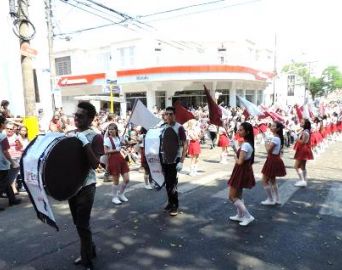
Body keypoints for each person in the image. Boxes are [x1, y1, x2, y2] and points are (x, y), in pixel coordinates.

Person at [68, 102, 104, 270]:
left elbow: (96, 164)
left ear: (90, 119)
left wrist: (85, 143)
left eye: (80, 116)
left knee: (82, 223)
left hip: (86, 186)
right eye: (76, 115)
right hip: (71, 186)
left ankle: (86, 259)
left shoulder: (95, 137)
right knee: (78, 223)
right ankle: (91, 249)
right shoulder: (70, 134)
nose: (76, 118)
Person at [161, 107, 188, 216]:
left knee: (172, 183)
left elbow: (185, 144)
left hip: (174, 159)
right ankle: (169, 202)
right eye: (167, 114)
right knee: (167, 183)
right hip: (164, 159)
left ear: (175, 115)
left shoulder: (179, 128)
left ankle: (174, 205)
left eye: (171, 114)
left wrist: (181, 160)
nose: (169, 116)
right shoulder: (163, 127)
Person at [228, 122, 256, 226]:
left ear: (247, 132)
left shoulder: (245, 145)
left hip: (241, 170)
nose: (238, 131)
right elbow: (241, 155)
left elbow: (239, 161)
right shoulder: (247, 143)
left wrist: (234, 156)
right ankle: (240, 215)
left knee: (232, 197)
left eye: (240, 130)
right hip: (243, 170)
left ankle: (248, 216)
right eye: (238, 129)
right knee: (238, 195)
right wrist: (234, 148)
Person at [104, 123, 130, 205]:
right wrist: (117, 150)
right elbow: (106, 151)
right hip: (113, 159)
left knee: (126, 179)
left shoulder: (119, 138)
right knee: (116, 180)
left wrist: (125, 142)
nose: (110, 131)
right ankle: (114, 197)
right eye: (109, 129)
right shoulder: (107, 139)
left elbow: (126, 144)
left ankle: (121, 194)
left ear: (116, 130)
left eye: (112, 129)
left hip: (121, 158)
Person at [260, 122, 287, 205]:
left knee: (264, 180)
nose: (271, 127)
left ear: (278, 129)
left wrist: (265, 141)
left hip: (272, 160)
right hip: (274, 159)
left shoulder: (275, 138)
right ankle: (277, 199)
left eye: (273, 126)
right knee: (272, 180)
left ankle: (270, 199)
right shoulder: (277, 137)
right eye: (271, 125)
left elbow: (268, 150)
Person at [0, 115, 21, 211]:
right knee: (3, 183)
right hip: (2, 163)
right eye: (4, 124)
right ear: (2, 125)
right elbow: (5, 151)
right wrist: (12, 162)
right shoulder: (3, 136)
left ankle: (12, 199)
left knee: (7, 182)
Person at [294, 119, 313, 187]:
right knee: (302, 167)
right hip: (304, 150)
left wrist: (296, 138)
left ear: (305, 124)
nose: (300, 123)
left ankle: (302, 180)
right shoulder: (305, 131)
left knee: (296, 166)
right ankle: (304, 180)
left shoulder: (305, 132)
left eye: (302, 122)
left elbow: (303, 142)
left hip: (303, 150)